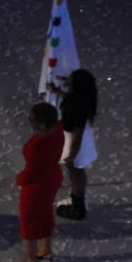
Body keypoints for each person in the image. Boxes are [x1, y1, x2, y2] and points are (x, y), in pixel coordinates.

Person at [14, 102, 65, 262]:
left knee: (29, 221)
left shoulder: (37, 146)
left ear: (42, 124)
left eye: (32, 119)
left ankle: (31, 259)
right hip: (53, 177)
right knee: (45, 213)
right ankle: (45, 249)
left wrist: (19, 179)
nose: (30, 121)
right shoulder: (58, 129)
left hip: (36, 186)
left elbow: (31, 172)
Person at [51, 69, 99, 220]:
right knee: (77, 170)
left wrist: (71, 155)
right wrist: (58, 92)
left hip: (74, 142)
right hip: (78, 140)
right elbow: (70, 99)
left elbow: (76, 137)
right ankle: (77, 200)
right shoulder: (81, 99)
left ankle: (78, 207)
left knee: (75, 170)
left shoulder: (76, 106)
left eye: (70, 80)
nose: (68, 81)